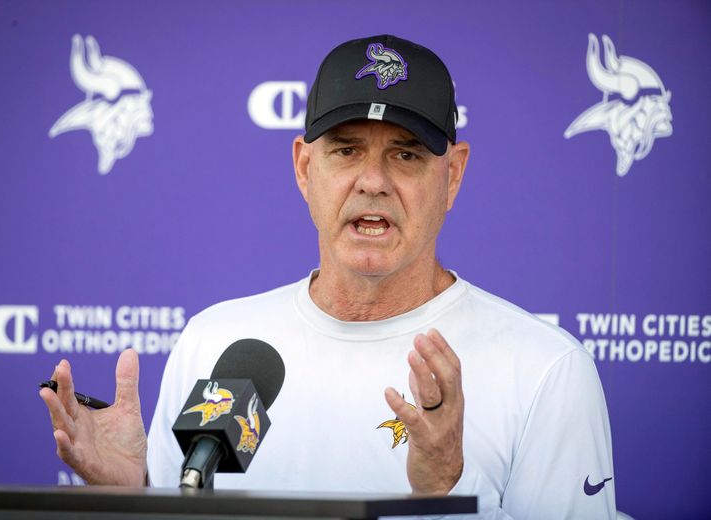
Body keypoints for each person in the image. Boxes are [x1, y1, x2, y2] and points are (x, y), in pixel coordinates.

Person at [40, 34, 615, 519]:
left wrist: (445, 491)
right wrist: (131, 499)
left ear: (455, 176)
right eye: (345, 150)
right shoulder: (217, 346)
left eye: (407, 154)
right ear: (304, 168)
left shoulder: (546, 371)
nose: (373, 181)